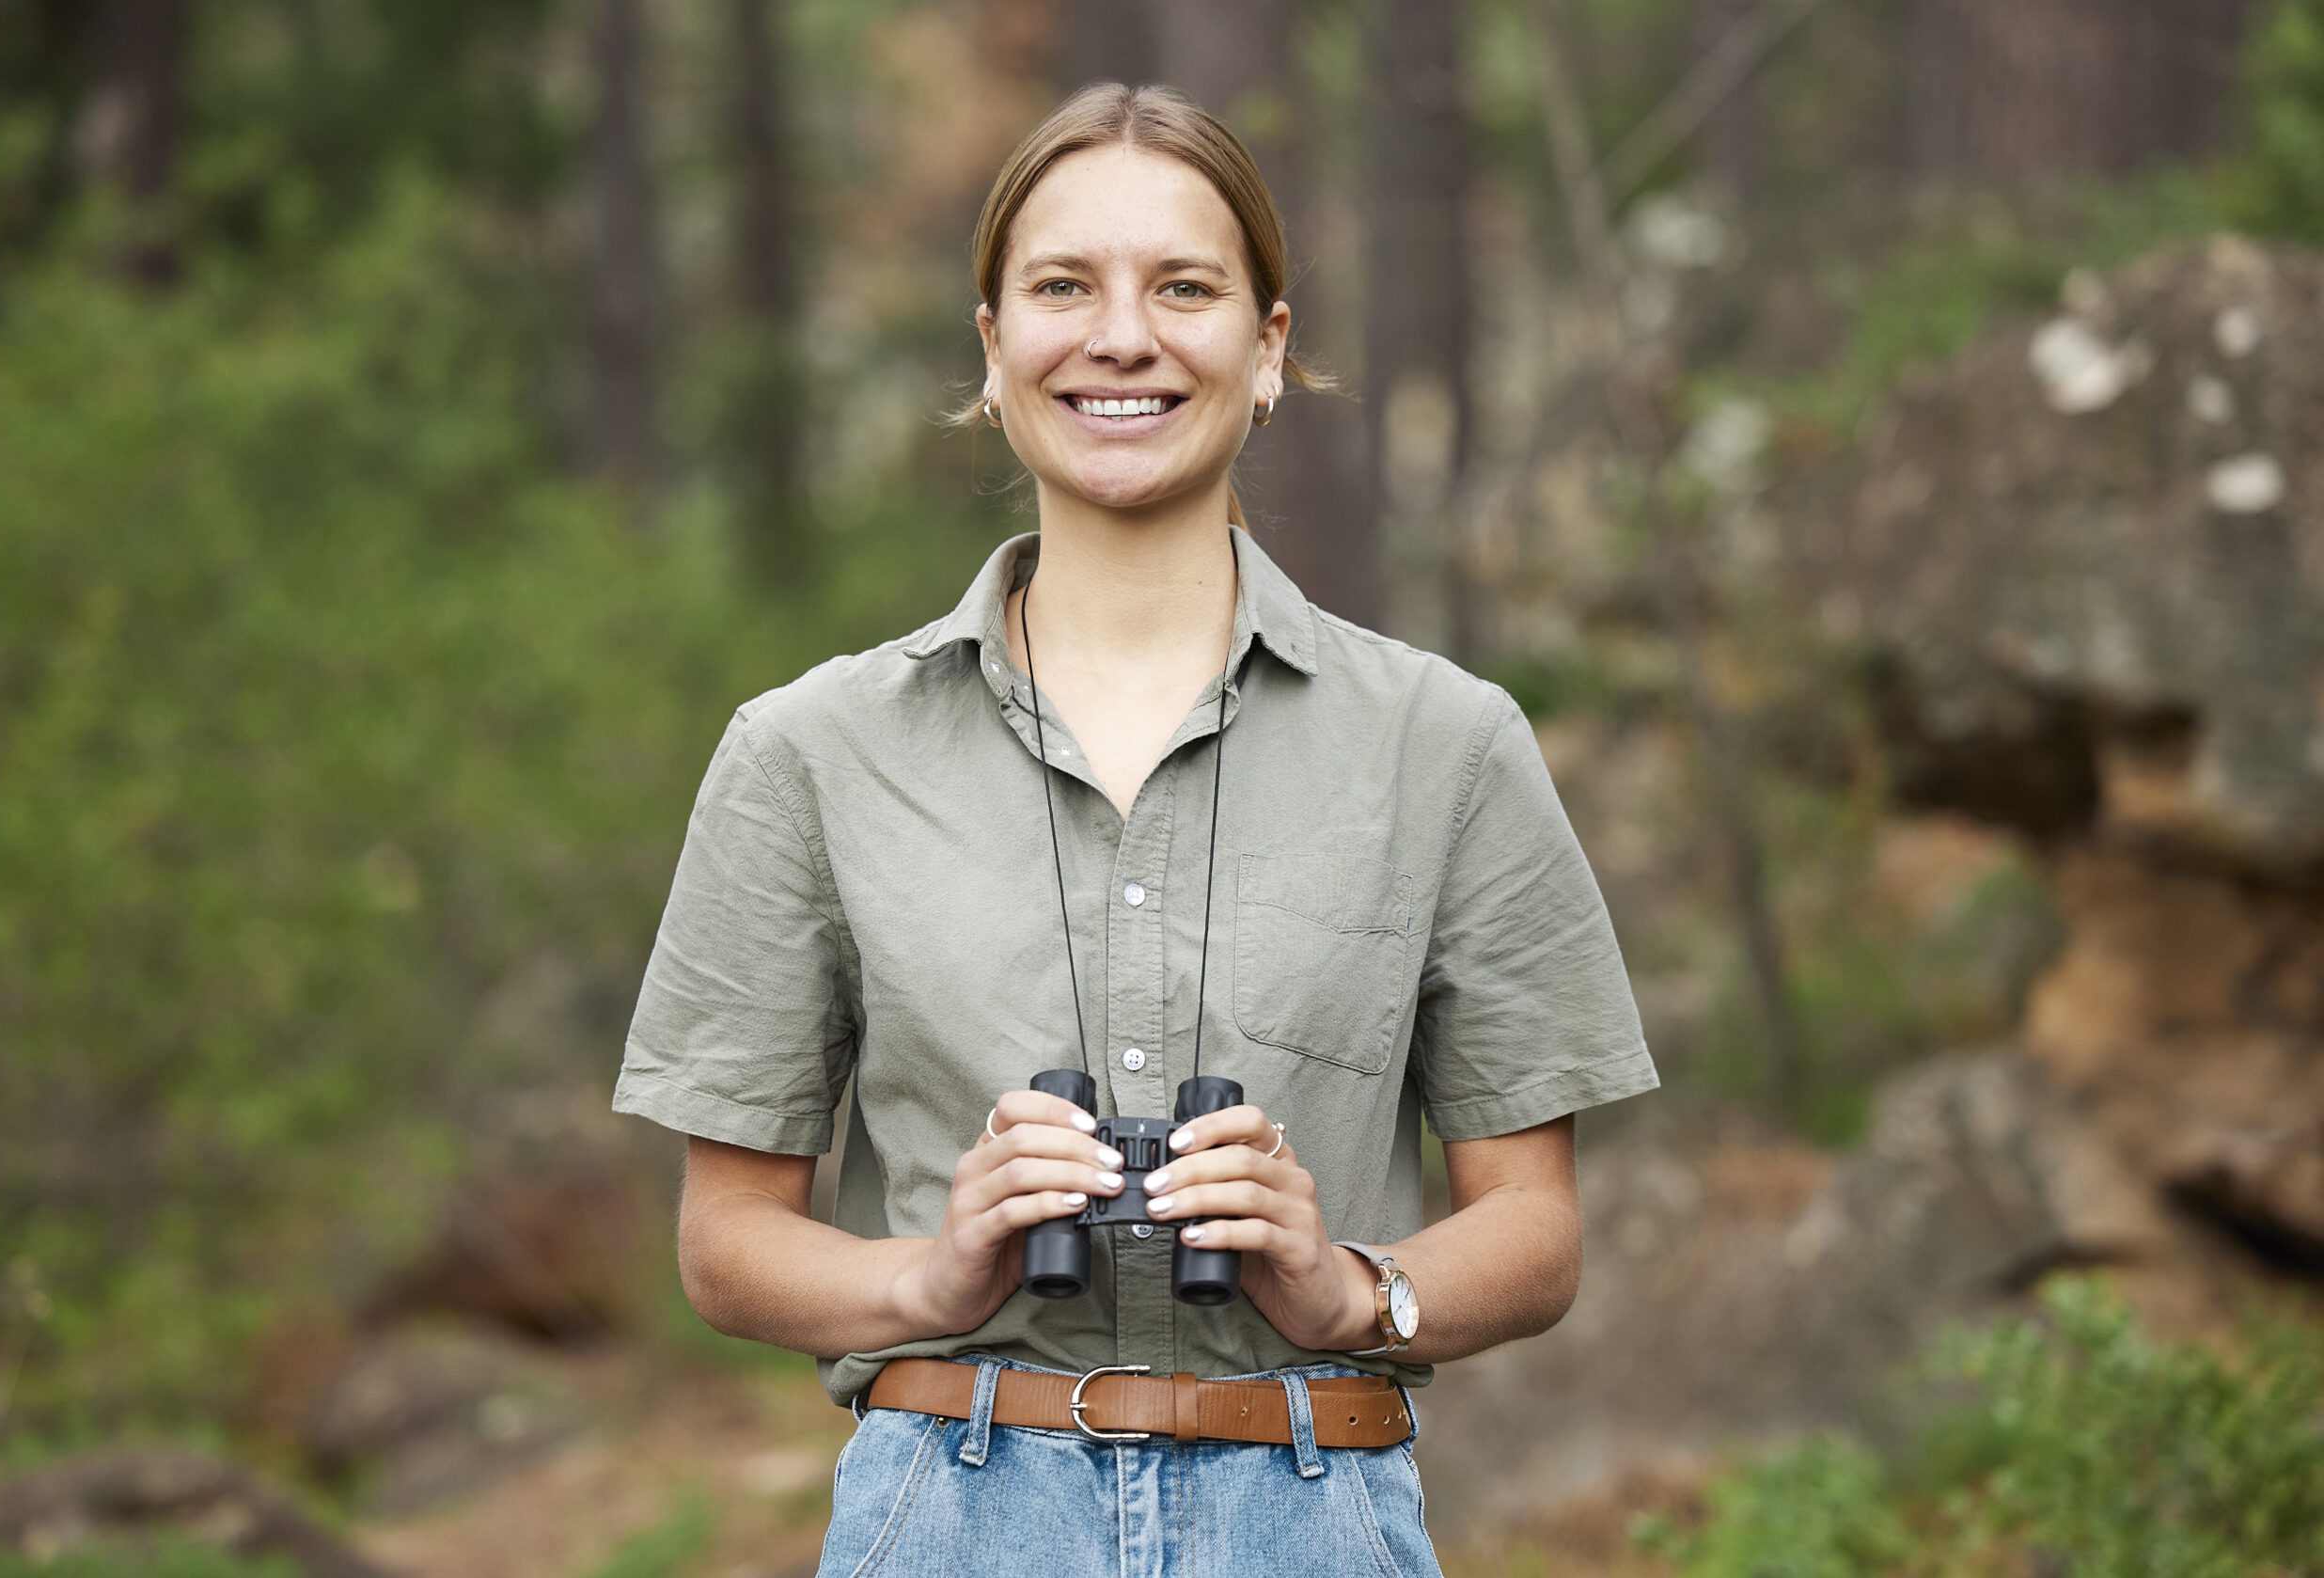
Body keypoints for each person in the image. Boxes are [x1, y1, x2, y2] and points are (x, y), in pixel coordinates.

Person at [613, 83, 1657, 1577]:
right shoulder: (810, 753)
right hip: (951, 1504)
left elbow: (1536, 1227)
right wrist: (931, 1270)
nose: (1121, 337)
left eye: (1184, 286)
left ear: (1270, 345)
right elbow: (725, 1240)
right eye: (1062, 287)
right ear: (992, 346)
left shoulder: (1446, 744)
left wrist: (1349, 1286)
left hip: (1314, 1507)